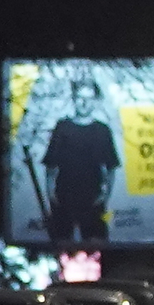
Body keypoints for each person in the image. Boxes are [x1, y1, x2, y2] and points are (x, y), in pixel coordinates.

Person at [43, 71, 122, 244]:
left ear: (95, 101)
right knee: (61, 245)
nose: (84, 102)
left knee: (96, 245)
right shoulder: (62, 127)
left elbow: (111, 168)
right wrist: (51, 195)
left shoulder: (102, 130)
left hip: (92, 198)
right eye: (80, 97)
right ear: (73, 99)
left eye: (89, 98)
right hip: (63, 197)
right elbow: (50, 166)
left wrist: (105, 196)